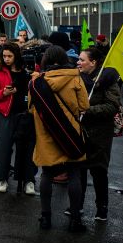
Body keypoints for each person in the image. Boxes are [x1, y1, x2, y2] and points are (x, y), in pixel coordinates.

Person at [29, 45, 89, 232]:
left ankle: (45, 218)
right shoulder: (75, 77)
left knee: (47, 175)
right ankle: (75, 220)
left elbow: (31, 109)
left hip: (47, 135)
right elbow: (84, 106)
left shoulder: (37, 81)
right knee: (73, 175)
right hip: (70, 133)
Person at [76, 48, 120, 221]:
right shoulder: (77, 77)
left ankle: (102, 209)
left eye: (81, 60)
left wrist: (87, 110)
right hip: (80, 130)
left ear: (93, 62)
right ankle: (76, 206)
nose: (78, 62)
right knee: (79, 170)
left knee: (99, 172)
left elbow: (112, 106)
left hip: (100, 133)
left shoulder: (108, 79)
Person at [0, 42, 36, 195]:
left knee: (28, 149)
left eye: (10, 56)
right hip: (5, 115)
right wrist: (3, 93)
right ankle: (2, 178)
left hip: (25, 115)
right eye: (4, 56)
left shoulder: (26, 70)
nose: (6, 59)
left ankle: (29, 180)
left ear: (16, 56)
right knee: (4, 148)